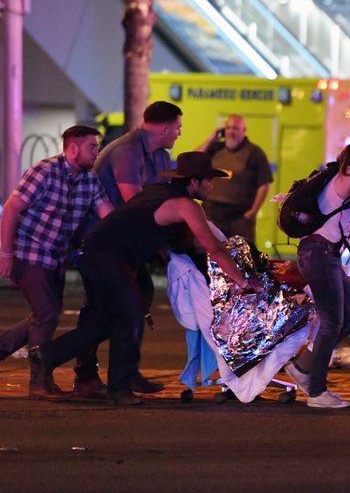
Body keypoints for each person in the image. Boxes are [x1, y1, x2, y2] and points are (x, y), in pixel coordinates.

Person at [29, 152, 259, 406]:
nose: (212, 187)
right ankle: (119, 388)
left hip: (94, 254)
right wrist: (244, 282)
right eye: (209, 181)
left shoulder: (158, 192)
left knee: (109, 322)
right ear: (195, 181)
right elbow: (214, 248)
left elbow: (146, 229)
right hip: (107, 257)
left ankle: (49, 355)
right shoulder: (186, 205)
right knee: (129, 317)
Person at [73, 100, 184, 399]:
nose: (179, 134)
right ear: (164, 127)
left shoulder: (160, 156)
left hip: (127, 244)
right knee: (105, 308)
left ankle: (123, 373)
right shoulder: (127, 150)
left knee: (135, 301)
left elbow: (160, 196)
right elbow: (135, 199)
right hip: (103, 243)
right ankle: (85, 374)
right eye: (178, 128)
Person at [0, 126, 114, 400]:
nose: (97, 152)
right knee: (47, 314)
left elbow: (107, 215)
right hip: (29, 253)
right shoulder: (44, 171)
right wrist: (5, 254)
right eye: (91, 146)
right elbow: (12, 208)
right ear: (73, 148)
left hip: (56, 258)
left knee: (44, 316)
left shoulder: (89, 180)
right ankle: (39, 382)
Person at [282, 126, 350, 409]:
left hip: (322, 253)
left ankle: (303, 368)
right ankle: (317, 392)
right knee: (332, 322)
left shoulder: (345, 170)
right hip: (319, 252)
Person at [197, 114, 273, 251]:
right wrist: (211, 139)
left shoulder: (254, 153)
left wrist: (252, 212)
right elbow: (194, 159)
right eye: (228, 128)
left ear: (244, 130)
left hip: (239, 217)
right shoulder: (215, 148)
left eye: (236, 128)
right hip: (212, 213)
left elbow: (264, 185)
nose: (231, 131)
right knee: (209, 254)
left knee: (242, 257)